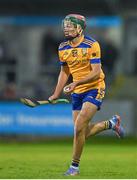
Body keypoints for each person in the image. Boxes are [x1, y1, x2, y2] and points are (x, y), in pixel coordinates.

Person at [49, 14, 124, 176]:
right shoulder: (62, 47)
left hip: (95, 87)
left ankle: (74, 167)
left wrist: (76, 83)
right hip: (77, 92)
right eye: (65, 25)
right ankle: (111, 124)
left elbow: (96, 73)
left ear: (80, 29)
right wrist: (56, 93)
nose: (66, 28)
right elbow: (64, 71)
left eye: (70, 26)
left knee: (79, 127)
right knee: (79, 131)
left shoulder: (92, 45)